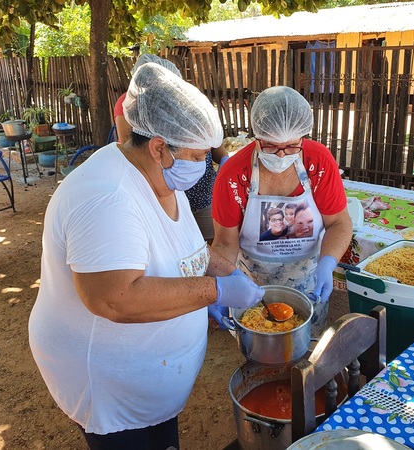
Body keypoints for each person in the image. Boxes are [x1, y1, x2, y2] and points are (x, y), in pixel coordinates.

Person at [28, 62, 264, 450]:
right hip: (108, 383)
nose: (204, 164)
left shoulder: (162, 178)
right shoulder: (109, 196)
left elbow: (187, 249)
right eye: (197, 154)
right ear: (159, 147)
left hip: (151, 382)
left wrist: (235, 277)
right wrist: (213, 292)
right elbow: (114, 298)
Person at [211, 86, 353, 337]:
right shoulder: (233, 175)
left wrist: (327, 263)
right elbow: (224, 243)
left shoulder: (318, 162)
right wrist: (219, 284)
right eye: (270, 146)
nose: (281, 154)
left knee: (306, 353)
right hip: (251, 286)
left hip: (310, 281)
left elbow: (339, 222)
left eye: (291, 146)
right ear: (257, 136)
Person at [113, 53, 228, 243]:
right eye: (197, 157)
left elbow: (196, 253)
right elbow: (126, 140)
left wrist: (224, 160)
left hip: (200, 191)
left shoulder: (172, 188)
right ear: (158, 149)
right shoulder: (125, 197)